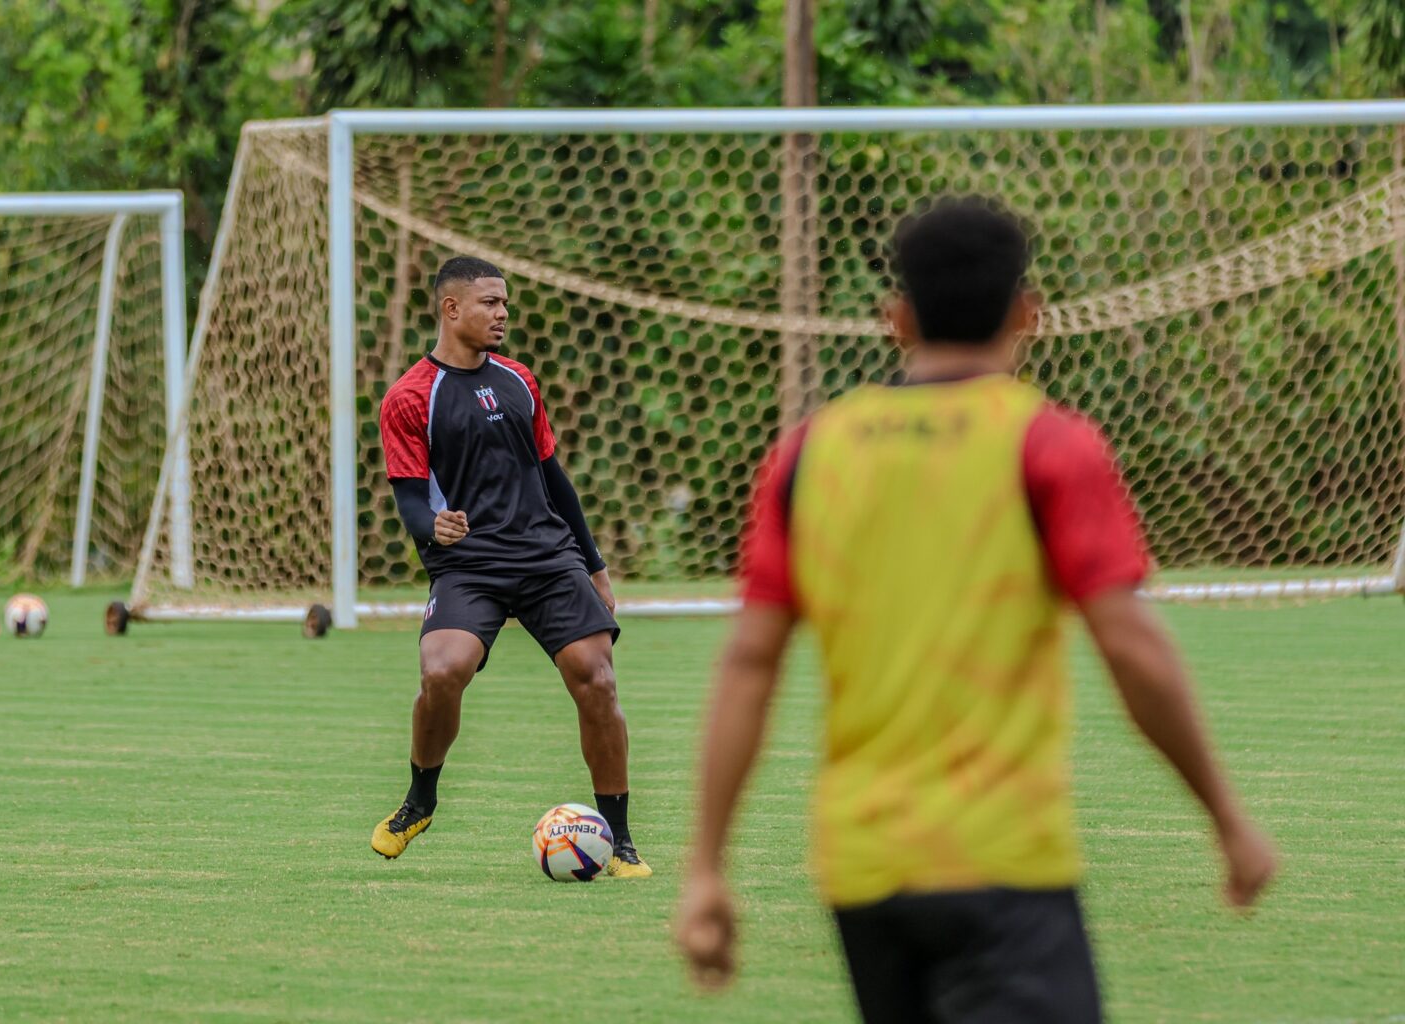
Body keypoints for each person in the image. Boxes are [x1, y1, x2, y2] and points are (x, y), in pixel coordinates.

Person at [674, 198, 1276, 1020]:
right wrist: (1227, 818)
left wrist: (706, 867)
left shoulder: (811, 452)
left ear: (897, 320)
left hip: (863, 870)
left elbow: (750, 662)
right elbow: (1130, 645)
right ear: (1029, 314)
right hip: (1002, 862)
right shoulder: (1047, 442)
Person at [373, 255, 651, 879]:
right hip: (468, 566)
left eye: (505, 304)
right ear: (451, 309)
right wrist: (431, 528)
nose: (502, 314)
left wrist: (595, 565)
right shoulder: (410, 397)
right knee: (442, 671)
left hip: (547, 558)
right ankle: (420, 798)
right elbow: (412, 498)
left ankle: (622, 841)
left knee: (597, 678)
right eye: (489, 303)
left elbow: (555, 479)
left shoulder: (520, 381)